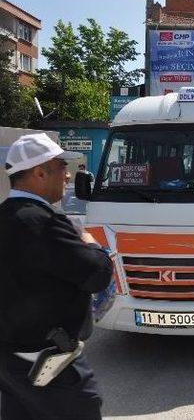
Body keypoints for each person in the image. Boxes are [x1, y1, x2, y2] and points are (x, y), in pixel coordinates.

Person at [0, 133, 113, 419]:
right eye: (62, 167)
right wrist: (88, 240)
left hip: (9, 364)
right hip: (50, 365)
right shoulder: (43, 222)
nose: (67, 176)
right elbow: (98, 274)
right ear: (39, 173)